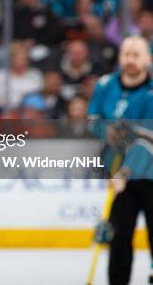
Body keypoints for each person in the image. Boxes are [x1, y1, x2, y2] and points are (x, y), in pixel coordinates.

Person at [87, 36, 153, 285]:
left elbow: (148, 141)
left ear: (148, 59)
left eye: (137, 55)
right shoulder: (105, 85)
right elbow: (93, 119)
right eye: (127, 54)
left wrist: (126, 172)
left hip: (146, 175)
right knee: (119, 236)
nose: (131, 60)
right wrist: (106, 132)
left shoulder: (150, 94)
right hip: (118, 175)